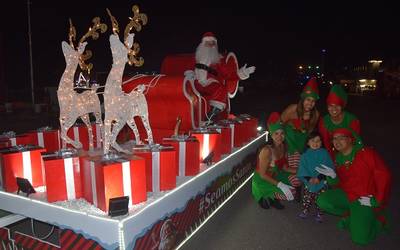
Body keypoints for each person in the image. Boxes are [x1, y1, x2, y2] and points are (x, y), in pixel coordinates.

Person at [316, 128, 391, 245]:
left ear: (351, 140)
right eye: (334, 138)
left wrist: (376, 200)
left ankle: (378, 221)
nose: (337, 141)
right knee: (323, 200)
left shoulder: (366, 153)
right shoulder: (338, 158)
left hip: (364, 200)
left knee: (360, 240)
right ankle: (352, 216)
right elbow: (339, 184)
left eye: (341, 138)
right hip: (347, 194)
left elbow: (383, 176)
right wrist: (333, 176)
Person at [193, 32, 256, 122]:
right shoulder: (196, 57)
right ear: (203, 43)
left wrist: (243, 72)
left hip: (210, 84)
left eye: (213, 42)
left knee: (221, 89)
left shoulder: (219, 60)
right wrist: (189, 74)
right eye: (208, 42)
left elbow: (229, 75)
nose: (210, 44)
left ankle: (209, 117)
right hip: (195, 83)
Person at [281, 77, 320, 200]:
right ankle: (286, 186)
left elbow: (309, 133)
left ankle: (297, 187)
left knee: (302, 169)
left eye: (313, 101)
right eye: (308, 99)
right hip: (288, 145)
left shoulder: (315, 114)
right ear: (303, 99)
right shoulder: (293, 109)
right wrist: (279, 143)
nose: (310, 103)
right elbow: (279, 123)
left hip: (301, 146)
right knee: (286, 170)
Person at [251, 112, 301, 210]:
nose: (279, 136)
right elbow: (262, 175)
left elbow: (284, 167)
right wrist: (281, 185)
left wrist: (301, 171)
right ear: (271, 134)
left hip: (276, 175)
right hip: (262, 180)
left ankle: (273, 197)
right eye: (276, 133)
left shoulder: (283, 146)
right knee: (284, 195)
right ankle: (262, 194)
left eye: (282, 133)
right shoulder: (266, 150)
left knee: (296, 180)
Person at [297, 131, 335, 222]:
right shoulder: (304, 155)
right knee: (307, 198)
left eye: (318, 141)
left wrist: (319, 178)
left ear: (321, 143)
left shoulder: (324, 153)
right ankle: (305, 210)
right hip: (309, 182)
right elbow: (302, 168)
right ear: (308, 142)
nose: (315, 143)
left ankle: (320, 213)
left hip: (321, 182)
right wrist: (309, 179)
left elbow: (329, 166)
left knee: (321, 198)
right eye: (313, 141)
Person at [318, 84, 362, 158]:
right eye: (330, 106)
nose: (334, 109)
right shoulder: (323, 122)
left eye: (337, 105)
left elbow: (355, 142)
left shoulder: (352, 120)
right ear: (327, 107)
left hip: (350, 153)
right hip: (331, 154)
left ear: (342, 107)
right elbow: (326, 143)